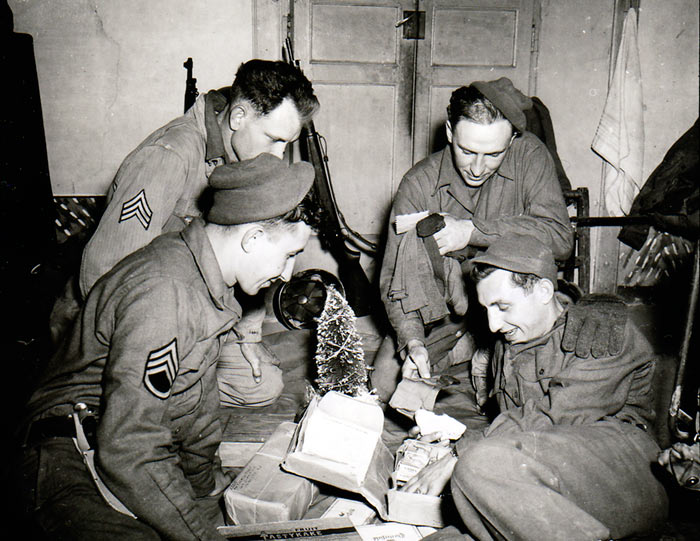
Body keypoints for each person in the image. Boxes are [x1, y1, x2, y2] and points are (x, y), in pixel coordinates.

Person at [19, 154, 316, 540]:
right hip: (61, 450)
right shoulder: (166, 293)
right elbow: (130, 449)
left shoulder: (208, 278)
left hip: (112, 442)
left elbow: (195, 407)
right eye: (289, 255)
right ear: (253, 238)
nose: (287, 274)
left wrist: (205, 488)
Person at [51, 59, 319, 408]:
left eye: (287, 144)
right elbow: (103, 274)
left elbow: (249, 254)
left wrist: (248, 337)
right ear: (238, 118)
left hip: (190, 309)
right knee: (156, 415)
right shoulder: (169, 158)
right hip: (116, 324)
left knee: (262, 384)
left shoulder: (242, 150)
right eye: (274, 140)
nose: (279, 155)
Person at [403, 234, 669, 541]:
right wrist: (446, 441)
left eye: (503, 306)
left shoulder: (601, 332)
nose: (493, 325)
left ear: (543, 291)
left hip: (627, 476)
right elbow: (517, 427)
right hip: (552, 477)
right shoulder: (511, 341)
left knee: (478, 465)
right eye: (487, 308)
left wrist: (459, 454)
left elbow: (555, 414)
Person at [374, 77, 574, 405]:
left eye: (493, 154)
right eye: (467, 151)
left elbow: (561, 238)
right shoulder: (418, 184)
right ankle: (467, 345)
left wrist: (472, 231)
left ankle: (485, 350)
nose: (478, 168)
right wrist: (414, 344)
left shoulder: (531, 157)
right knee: (387, 385)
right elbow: (395, 282)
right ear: (450, 133)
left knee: (531, 394)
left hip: (511, 300)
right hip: (445, 305)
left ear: (512, 140)